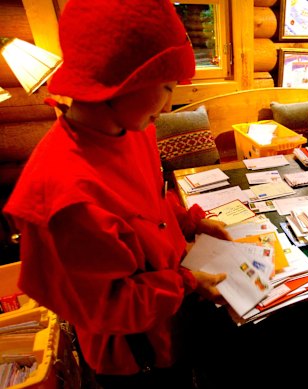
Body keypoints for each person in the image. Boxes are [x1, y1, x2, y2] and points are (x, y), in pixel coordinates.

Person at [2, 0, 232, 387]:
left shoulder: (132, 127)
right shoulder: (64, 195)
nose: (169, 102)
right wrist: (187, 283)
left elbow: (149, 200)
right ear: (125, 83)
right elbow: (107, 307)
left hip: (170, 321)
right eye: (167, 86)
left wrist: (191, 222)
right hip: (133, 356)